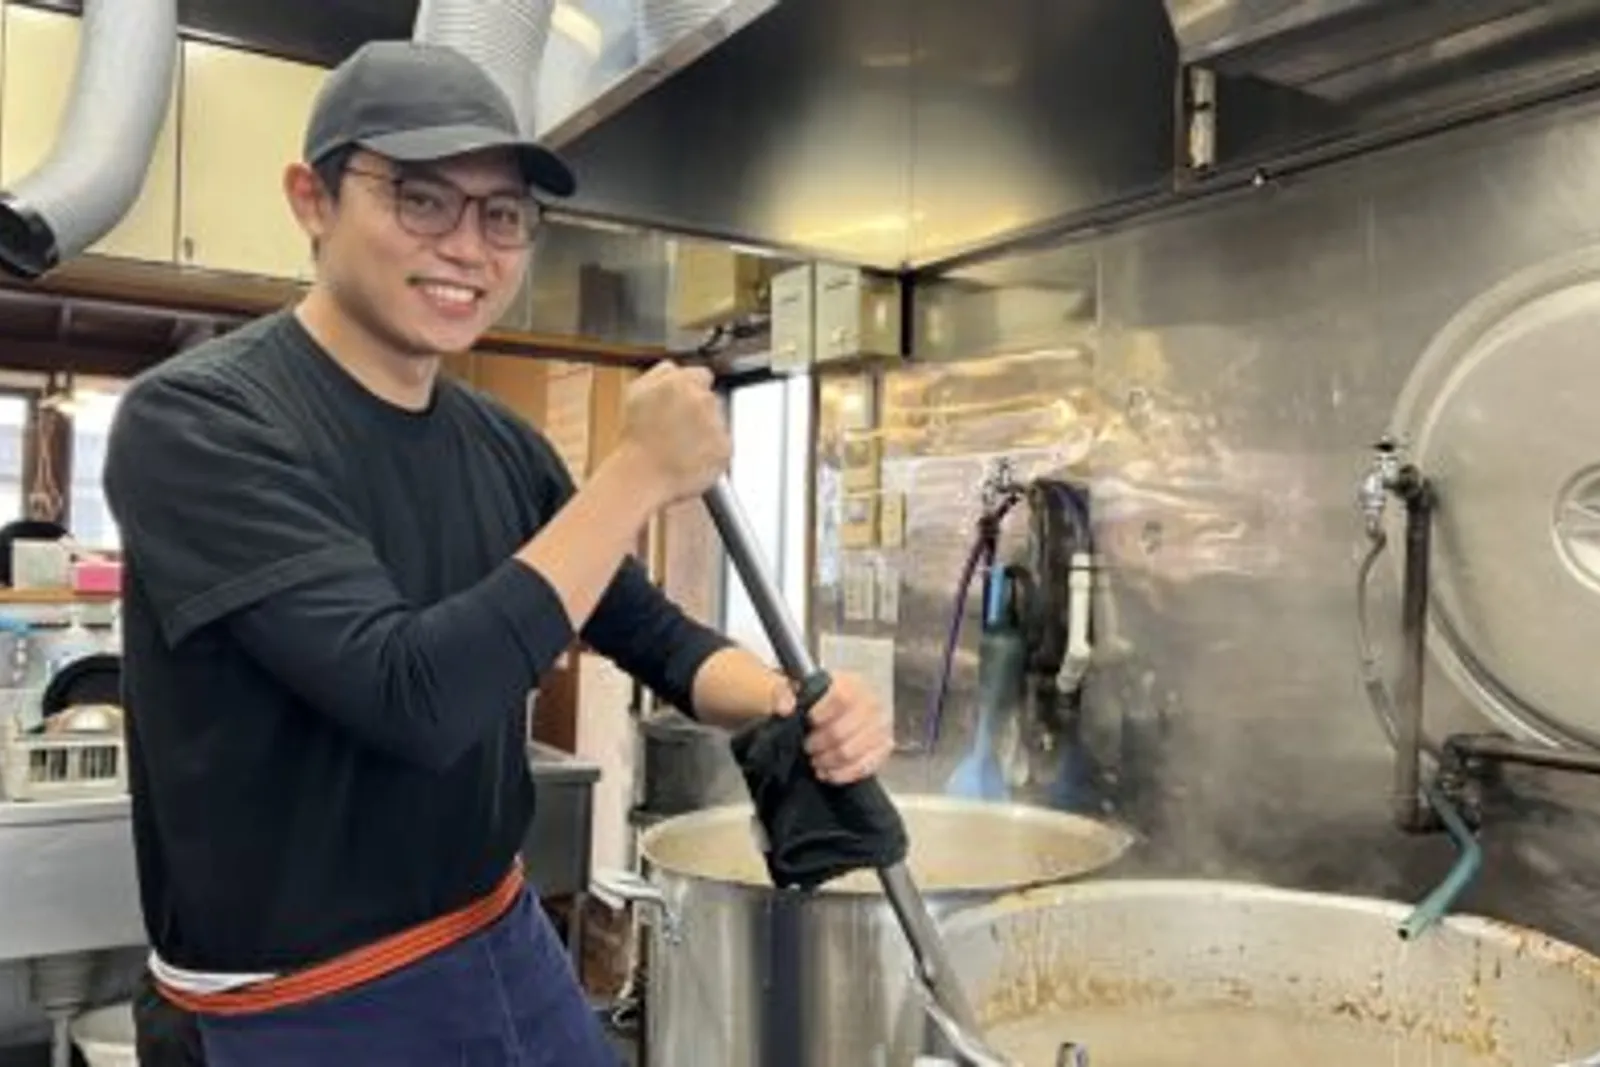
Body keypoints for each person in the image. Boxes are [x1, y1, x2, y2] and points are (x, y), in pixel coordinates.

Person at [102, 39, 892, 1067]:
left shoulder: (502, 446)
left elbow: (650, 633)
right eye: (421, 198)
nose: (470, 246)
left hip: (500, 938)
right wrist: (637, 473)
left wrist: (792, 699)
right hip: (298, 1003)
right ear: (312, 199)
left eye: (504, 214)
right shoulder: (200, 421)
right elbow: (411, 695)